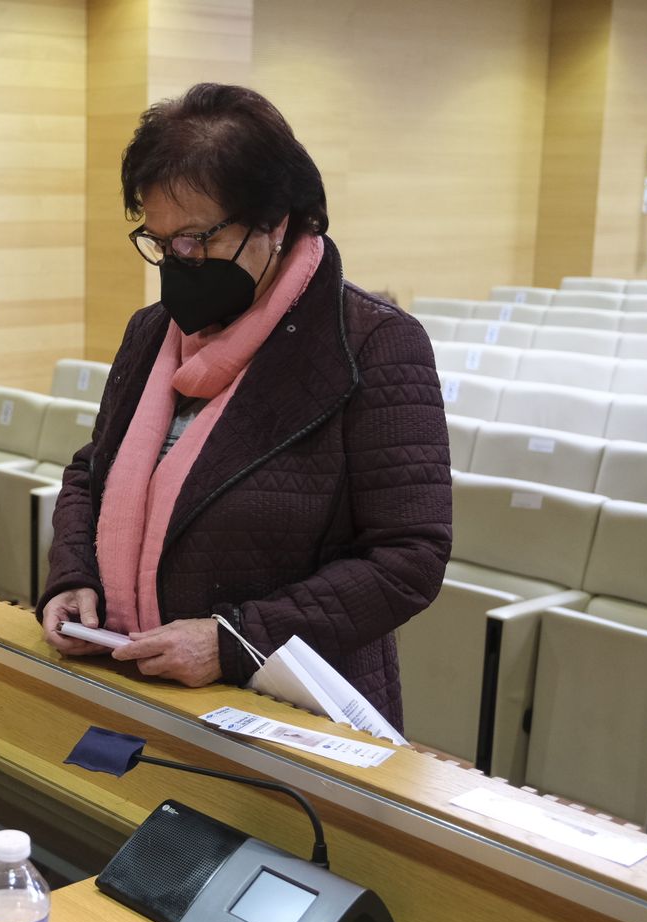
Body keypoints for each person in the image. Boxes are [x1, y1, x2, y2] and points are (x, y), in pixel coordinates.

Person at [37, 83, 451, 731]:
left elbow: (409, 557)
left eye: (199, 237)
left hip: (288, 710)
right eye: (161, 240)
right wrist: (72, 576)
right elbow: (92, 473)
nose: (180, 260)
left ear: (276, 222)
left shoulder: (372, 343)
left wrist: (234, 640)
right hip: (138, 687)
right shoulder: (152, 334)